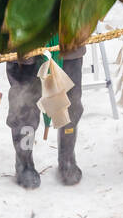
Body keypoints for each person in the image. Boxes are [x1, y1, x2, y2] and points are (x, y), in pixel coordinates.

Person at [7, 45, 85, 189]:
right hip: (26, 42)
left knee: (70, 103)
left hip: (67, 41)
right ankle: (24, 162)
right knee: (24, 107)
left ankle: (67, 158)